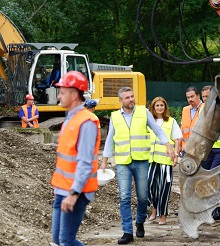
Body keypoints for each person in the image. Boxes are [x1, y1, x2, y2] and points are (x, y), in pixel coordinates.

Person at [100, 87, 175, 245]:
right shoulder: (115, 117)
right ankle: (127, 231)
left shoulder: (143, 112)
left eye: (132, 96)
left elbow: (158, 130)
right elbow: (109, 140)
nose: (131, 99)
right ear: (120, 101)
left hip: (141, 161)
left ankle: (140, 221)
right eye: (127, 97)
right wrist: (104, 162)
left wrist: (168, 146)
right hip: (123, 163)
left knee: (142, 197)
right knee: (124, 197)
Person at [50, 71, 101, 245]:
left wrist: (73, 193)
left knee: (66, 240)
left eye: (62, 92)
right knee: (58, 239)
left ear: (74, 95)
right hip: (63, 190)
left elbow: (85, 163)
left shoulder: (86, 122)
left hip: (77, 191)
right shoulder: (70, 119)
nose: (59, 96)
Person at [147, 97, 182, 225]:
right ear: (153, 107)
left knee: (164, 188)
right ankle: (155, 208)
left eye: (162, 105)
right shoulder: (149, 122)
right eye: (157, 105)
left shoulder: (171, 122)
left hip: (166, 161)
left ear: (165, 107)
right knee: (149, 186)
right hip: (151, 160)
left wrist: (176, 155)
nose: (160, 108)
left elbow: (178, 139)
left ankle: (162, 214)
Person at [200, 85, 220, 220]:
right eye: (204, 97)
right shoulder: (203, 110)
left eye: (208, 96)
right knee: (205, 179)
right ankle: (207, 208)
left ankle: (216, 209)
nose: (206, 99)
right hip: (206, 151)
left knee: (215, 179)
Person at [180, 86, 203, 155]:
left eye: (192, 96)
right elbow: (182, 129)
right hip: (185, 148)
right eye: (188, 97)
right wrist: (180, 146)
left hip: (198, 148)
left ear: (198, 96)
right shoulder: (185, 110)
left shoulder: (204, 108)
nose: (190, 99)